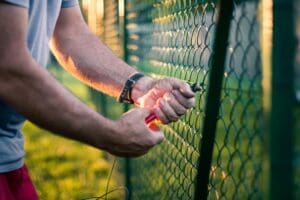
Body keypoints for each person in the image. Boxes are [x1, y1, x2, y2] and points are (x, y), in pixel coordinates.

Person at [0, 1, 195, 199]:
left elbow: (70, 33)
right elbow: (8, 67)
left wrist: (142, 87)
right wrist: (111, 135)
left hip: (9, 155)